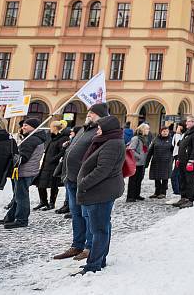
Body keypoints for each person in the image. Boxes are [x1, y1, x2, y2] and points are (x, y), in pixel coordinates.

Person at [74, 115, 125, 275]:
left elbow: (102, 170)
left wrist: (83, 184)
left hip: (100, 192)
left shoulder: (112, 144)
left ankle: (94, 264)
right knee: (102, 227)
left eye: (101, 128)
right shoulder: (107, 141)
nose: (98, 130)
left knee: (99, 230)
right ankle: (99, 259)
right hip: (98, 191)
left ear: (108, 129)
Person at [53, 103, 104, 261]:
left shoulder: (100, 131)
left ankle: (89, 247)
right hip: (70, 178)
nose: (89, 115)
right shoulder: (84, 129)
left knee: (87, 215)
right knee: (76, 214)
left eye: (92, 113)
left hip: (84, 181)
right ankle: (77, 245)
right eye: (89, 112)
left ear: (101, 116)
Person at [2, 117, 46, 229]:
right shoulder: (35, 138)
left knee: (21, 197)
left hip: (24, 171)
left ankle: (22, 219)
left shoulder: (31, 139)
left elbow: (23, 158)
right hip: (29, 170)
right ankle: (10, 217)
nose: (23, 127)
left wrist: (12, 154)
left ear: (33, 127)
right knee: (18, 195)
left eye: (26, 125)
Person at [35, 120, 70, 211]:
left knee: (53, 184)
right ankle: (43, 201)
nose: (49, 128)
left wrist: (54, 159)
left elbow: (62, 151)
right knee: (40, 184)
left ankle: (51, 203)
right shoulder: (51, 137)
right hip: (45, 164)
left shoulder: (63, 138)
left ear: (54, 128)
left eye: (51, 127)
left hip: (54, 165)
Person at [173, 116, 194, 208]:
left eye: (189, 121)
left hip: (189, 159)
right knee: (182, 178)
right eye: (187, 121)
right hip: (182, 158)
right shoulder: (187, 131)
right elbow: (181, 144)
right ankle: (183, 197)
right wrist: (178, 158)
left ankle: (190, 199)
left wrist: (191, 161)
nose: (186, 123)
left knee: (189, 179)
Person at [146, 127, 174, 198]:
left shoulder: (171, 140)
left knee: (165, 178)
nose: (165, 132)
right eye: (163, 131)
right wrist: (147, 162)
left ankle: (163, 192)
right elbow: (150, 151)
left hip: (166, 162)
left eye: (166, 131)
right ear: (161, 132)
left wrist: (173, 159)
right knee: (157, 177)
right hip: (156, 161)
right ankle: (157, 192)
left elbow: (174, 151)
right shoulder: (156, 139)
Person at [126, 123, 150, 202]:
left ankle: (136, 194)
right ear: (142, 129)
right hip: (136, 162)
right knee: (133, 180)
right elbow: (131, 150)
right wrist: (139, 156)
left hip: (142, 163)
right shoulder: (136, 138)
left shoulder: (144, 138)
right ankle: (130, 197)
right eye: (147, 129)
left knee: (139, 179)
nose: (148, 131)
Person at [169, 123, 184, 201]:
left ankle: (177, 191)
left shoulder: (183, 136)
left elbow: (179, 144)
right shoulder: (175, 135)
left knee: (174, 175)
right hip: (176, 155)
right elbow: (173, 145)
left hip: (180, 156)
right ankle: (178, 190)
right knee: (177, 174)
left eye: (178, 128)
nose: (176, 129)